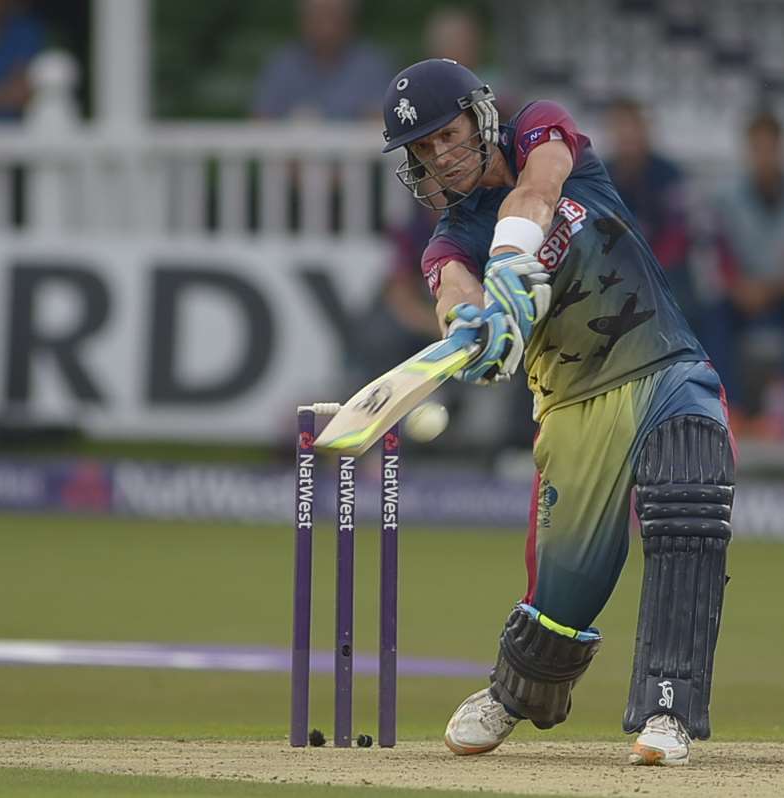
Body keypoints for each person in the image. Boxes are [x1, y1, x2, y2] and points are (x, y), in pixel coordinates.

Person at [380, 58, 735, 766]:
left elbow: (537, 189)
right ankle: (517, 693)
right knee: (561, 601)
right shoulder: (451, 237)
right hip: (572, 409)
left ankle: (667, 711)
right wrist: (474, 335)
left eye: (447, 134)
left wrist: (512, 262)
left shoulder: (540, 127)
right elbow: (451, 290)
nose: (440, 156)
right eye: (422, 150)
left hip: (664, 365)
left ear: (479, 117)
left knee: (688, 505)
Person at [704, 109, 784, 414]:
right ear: (748, 152)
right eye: (758, 149)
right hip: (745, 294)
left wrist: (773, 289)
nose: (765, 157)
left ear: (782, 150)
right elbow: (719, 254)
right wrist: (738, 287)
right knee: (713, 316)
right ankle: (732, 407)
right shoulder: (727, 199)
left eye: (771, 148)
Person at [603, 98, 693, 316]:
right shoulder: (599, 176)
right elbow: (592, 234)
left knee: (679, 290)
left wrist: (648, 268)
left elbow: (679, 235)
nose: (629, 136)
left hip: (663, 269)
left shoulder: (669, 175)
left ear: (646, 131)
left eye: (634, 127)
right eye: (622, 128)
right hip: (616, 267)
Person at [251, 0, 392, 121]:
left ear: (349, 21)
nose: (326, 27)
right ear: (303, 21)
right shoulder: (282, 65)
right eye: (317, 17)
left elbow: (383, 122)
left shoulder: (372, 66)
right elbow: (261, 120)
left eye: (332, 17)